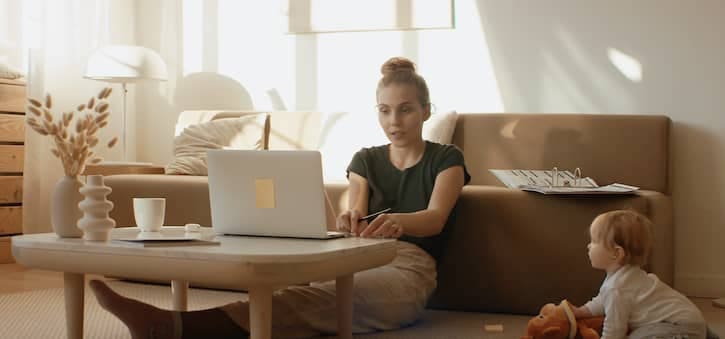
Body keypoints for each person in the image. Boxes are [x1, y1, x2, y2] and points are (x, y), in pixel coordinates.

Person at [88, 56, 471, 339]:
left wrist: (399, 222)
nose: (394, 121)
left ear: (425, 111)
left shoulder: (446, 158)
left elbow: (436, 216)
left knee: (318, 301)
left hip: (410, 265)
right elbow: (354, 207)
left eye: (405, 110)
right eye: (385, 111)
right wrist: (348, 219)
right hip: (360, 254)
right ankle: (176, 326)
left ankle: (174, 326)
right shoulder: (365, 159)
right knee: (309, 296)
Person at [572, 210, 707, 339]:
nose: (589, 246)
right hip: (691, 322)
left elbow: (614, 329)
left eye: (594, 241)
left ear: (617, 253)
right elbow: (603, 301)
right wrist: (582, 311)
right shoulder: (626, 277)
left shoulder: (617, 288)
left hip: (677, 327)